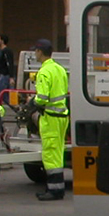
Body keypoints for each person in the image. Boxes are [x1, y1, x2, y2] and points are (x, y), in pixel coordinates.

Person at [30, 38, 69, 200]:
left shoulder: (44, 72)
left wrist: (33, 103)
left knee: (50, 154)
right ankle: (58, 188)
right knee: (58, 153)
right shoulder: (59, 69)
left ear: (40, 52)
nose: (35, 54)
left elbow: (42, 98)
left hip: (50, 118)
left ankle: (54, 191)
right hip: (62, 117)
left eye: (36, 51)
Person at [0, 33, 15, 102]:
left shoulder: (6, 51)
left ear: (2, 41)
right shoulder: (0, 51)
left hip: (5, 75)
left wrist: (11, 77)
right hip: (2, 74)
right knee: (5, 97)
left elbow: (9, 63)